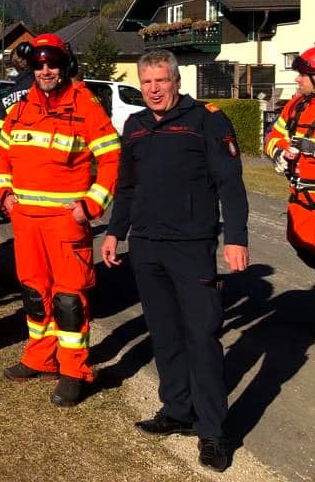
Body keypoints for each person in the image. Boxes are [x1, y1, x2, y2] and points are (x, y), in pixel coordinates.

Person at [102, 49, 248, 472]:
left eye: (161, 81)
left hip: (191, 245)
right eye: (146, 82)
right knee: (164, 334)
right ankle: (177, 409)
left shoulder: (207, 119)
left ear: (176, 81)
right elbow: (126, 186)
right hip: (146, 246)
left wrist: (235, 239)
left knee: (201, 336)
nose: (153, 89)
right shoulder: (136, 124)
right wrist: (115, 231)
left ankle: (213, 431)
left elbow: (230, 184)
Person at [0, 32, 119, 407]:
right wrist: (4, 195)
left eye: (52, 63)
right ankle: (39, 356)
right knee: (34, 294)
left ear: (65, 65)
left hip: (66, 223)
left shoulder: (85, 105)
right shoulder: (20, 108)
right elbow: (2, 160)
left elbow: (112, 158)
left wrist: (92, 206)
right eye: (39, 64)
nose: (45, 70)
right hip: (26, 221)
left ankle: (73, 370)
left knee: (69, 300)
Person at [266, 46, 315, 275]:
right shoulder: (296, 105)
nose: (297, 79)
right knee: (304, 248)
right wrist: (278, 152)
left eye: (303, 75)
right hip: (301, 207)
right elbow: (273, 135)